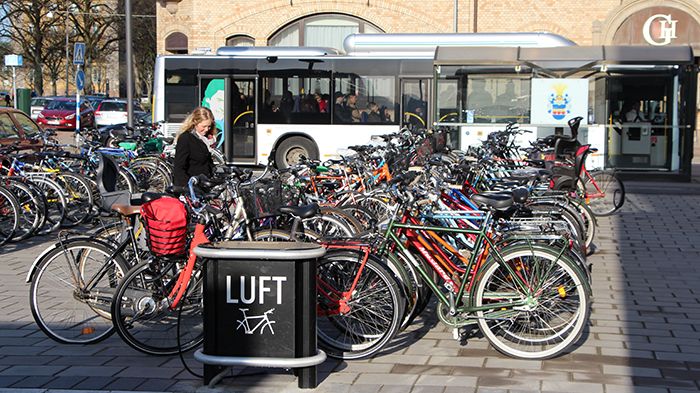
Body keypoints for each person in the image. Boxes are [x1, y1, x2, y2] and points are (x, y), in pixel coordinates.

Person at [173, 107, 216, 187]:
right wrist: (187, 187)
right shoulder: (186, 138)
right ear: (195, 122)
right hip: (192, 186)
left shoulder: (206, 138)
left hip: (205, 184)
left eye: (209, 126)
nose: (206, 129)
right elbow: (179, 167)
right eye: (204, 126)